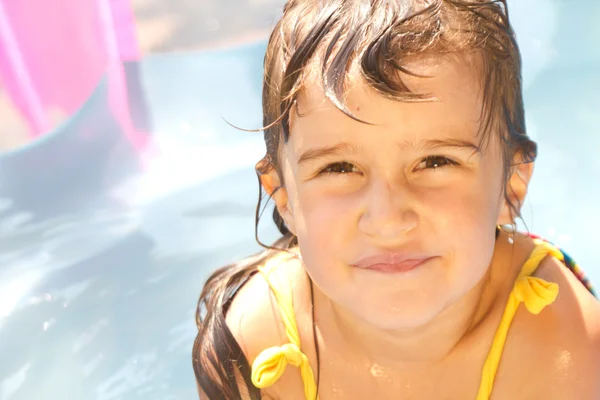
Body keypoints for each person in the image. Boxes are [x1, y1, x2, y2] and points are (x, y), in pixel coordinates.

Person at [192, 0, 600, 398]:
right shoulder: (254, 344)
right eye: (339, 168)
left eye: (435, 161)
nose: (387, 219)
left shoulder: (563, 346)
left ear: (510, 187)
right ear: (283, 196)